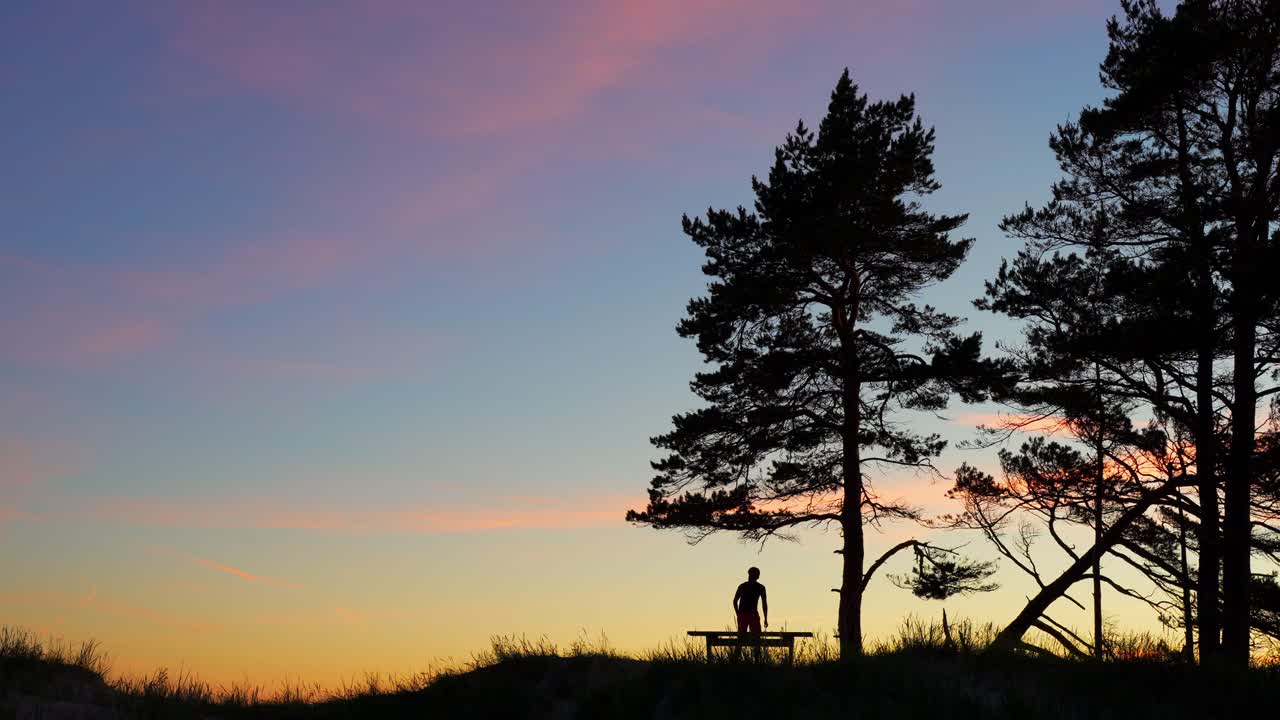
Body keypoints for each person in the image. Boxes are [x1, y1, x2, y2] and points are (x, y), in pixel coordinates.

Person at [733, 566, 768, 633]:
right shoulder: (759, 587)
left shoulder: (744, 586)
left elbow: (735, 601)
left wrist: (738, 614)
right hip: (747, 614)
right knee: (752, 637)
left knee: (752, 637)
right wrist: (738, 614)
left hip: (750, 614)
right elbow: (735, 601)